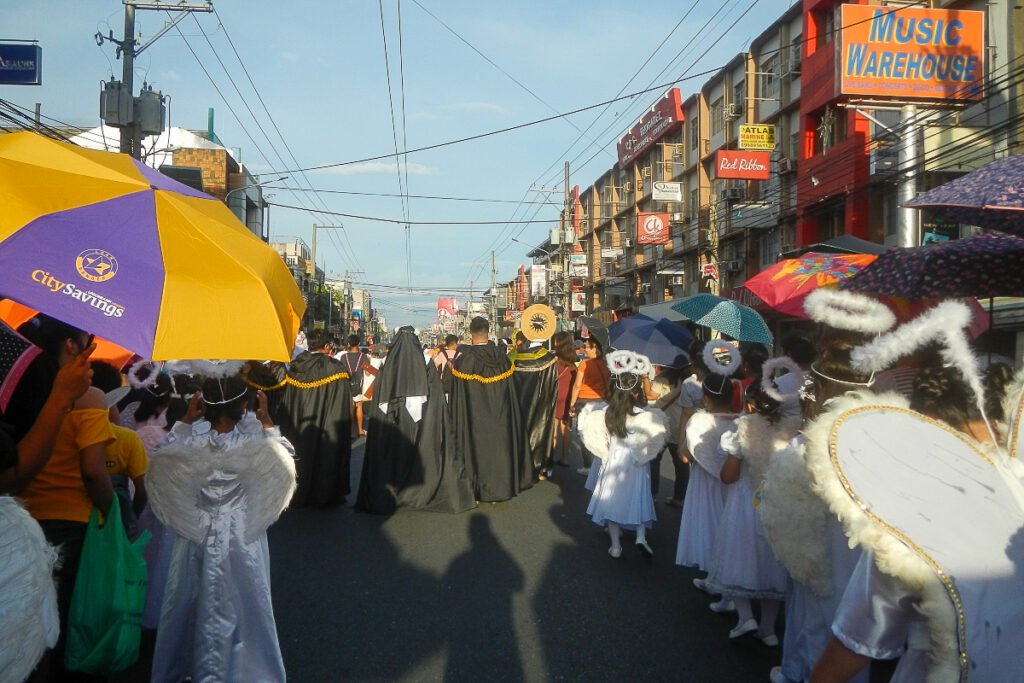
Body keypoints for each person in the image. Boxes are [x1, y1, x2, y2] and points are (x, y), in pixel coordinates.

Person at [147, 375, 295, 683]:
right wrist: (267, 421)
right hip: (241, 532)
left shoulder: (190, 440)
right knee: (245, 603)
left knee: (190, 600)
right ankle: (246, 671)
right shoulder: (254, 442)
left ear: (202, 403)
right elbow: (286, 460)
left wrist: (185, 421)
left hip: (196, 529)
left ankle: (190, 670)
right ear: (246, 405)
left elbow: (159, 459)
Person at [16, 315, 114, 683]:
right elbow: (93, 469)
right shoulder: (88, 397)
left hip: (18, 520)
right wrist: (112, 511)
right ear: (72, 347)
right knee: (60, 620)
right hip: (71, 525)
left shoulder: (17, 388)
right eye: (87, 341)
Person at [706, 384, 795, 644]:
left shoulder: (743, 430)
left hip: (745, 501)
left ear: (752, 405)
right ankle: (768, 629)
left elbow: (728, 476)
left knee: (739, 554)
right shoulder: (792, 431)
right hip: (777, 503)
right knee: (773, 561)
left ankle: (746, 617)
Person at [355, 329, 475, 514]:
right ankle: (419, 490)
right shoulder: (425, 361)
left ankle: (393, 491)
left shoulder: (388, 362)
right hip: (422, 416)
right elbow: (435, 395)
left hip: (392, 418)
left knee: (393, 453)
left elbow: (381, 393)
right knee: (421, 450)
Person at [248, 328, 352, 507]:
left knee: (299, 456)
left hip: (298, 424)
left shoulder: (295, 367)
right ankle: (323, 493)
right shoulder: (337, 369)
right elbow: (341, 405)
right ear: (327, 346)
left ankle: (294, 492)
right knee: (325, 456)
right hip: (327, 424)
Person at [578, 350, 667, 558]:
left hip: (613, 463)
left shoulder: (607, 415)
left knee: (612, 501)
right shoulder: (645, 415)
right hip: (637, 464)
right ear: (637, 393)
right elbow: (654, 439)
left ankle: (616, 546)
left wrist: (604, 451)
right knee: (639, 497)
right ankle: (640, 536)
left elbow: (594, 435)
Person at [675, 341, 739, 587]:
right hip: (731, 482)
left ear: (706, 398)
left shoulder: (699, 421)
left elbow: (684, 456)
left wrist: (684, 440)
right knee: (730, 527)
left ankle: (715, 577)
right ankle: (729, 581)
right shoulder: (740, 421)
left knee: (709, 526)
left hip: (704, 482)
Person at [448, 317, 530, 502]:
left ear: (470, 335)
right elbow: (512, 392)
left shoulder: (465, 361)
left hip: (473, 419)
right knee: (499, 451)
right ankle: (499, 491)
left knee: (475, 451)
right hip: (500, 417)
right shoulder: (502, 358)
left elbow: (457, 398)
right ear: (489, 331)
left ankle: (476, 491)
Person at [90, 360, 148, 540]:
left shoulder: (65, 431)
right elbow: (142, 490)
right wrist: (130, 517)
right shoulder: (127, 439)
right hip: (116, 529)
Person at [510, 324, 559, 481]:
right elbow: (552, 388)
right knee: (541, 430)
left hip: (518, 402)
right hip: (541, 402)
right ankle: (540, 467)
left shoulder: (516, 358)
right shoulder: (550, 360)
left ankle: (518, 465)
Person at [648, 365, 691, 507]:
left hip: (661, 424)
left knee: (654, 460)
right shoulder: (689, 380)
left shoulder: (663, 379)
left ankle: (652, 494)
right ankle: (678, 498)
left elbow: (651, 395)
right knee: (680, 464)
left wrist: (644, 379)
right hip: (680, 424)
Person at [568, 337, 609, 475]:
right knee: (600, 432)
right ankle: (603, 461)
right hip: (602, 400)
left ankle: (588, 465)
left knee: (584, 432)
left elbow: (577, 385)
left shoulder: (584, 364)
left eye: (587, 347)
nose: (584, 349)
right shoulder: (605, 364)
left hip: (585, 401)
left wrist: (572, 403)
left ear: (595, 349)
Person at [338, 334, 378, 438]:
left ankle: (350, 432)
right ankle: (360, 430)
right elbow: (369, 373)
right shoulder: (363, 356)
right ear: (359, 343)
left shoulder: (344, 357)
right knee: (359, 406)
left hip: (347, 384)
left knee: (350, 408)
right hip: (359, 384)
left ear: (348, 344)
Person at [550, 331, 578, 468]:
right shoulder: (574, 363)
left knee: (553, 428)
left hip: (556, 396)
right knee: (565, 428)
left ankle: (550, 457)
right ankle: (565, 458)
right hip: (568, 398)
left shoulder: (554, 361)